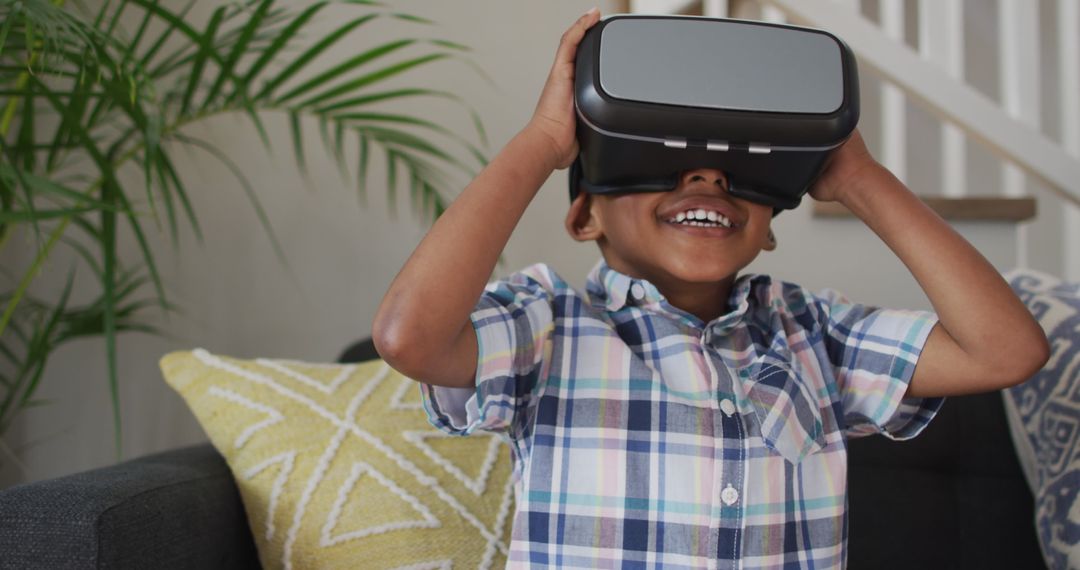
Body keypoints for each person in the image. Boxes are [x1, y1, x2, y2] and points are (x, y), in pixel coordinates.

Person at [372, 8, 1049, 568]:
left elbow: (1006, 352)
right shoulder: (548, 327)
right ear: (584, 215)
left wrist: (856, 178)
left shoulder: (814, 333)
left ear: (771, 231)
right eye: (660, 164)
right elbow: (410, 336)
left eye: (735, 171)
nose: (708, 179)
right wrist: (545, 141)